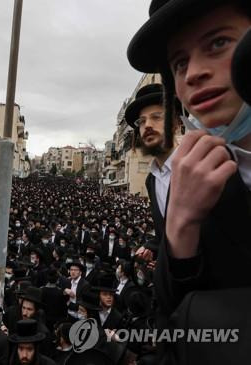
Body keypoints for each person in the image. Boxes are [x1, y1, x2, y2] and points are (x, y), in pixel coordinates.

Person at [127, 0, 251, 363]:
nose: (194, 72)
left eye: (217, 44)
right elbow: (176, 326)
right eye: (179, 63)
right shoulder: (193, 181)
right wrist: (180, 229)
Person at [124, 83, 180, 261]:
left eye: (156, 117)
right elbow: (167, 234)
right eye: (142, 121)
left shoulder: (201, 165)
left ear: (176, 123)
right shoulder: (152, 179)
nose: (147, 125)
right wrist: (152, 247)